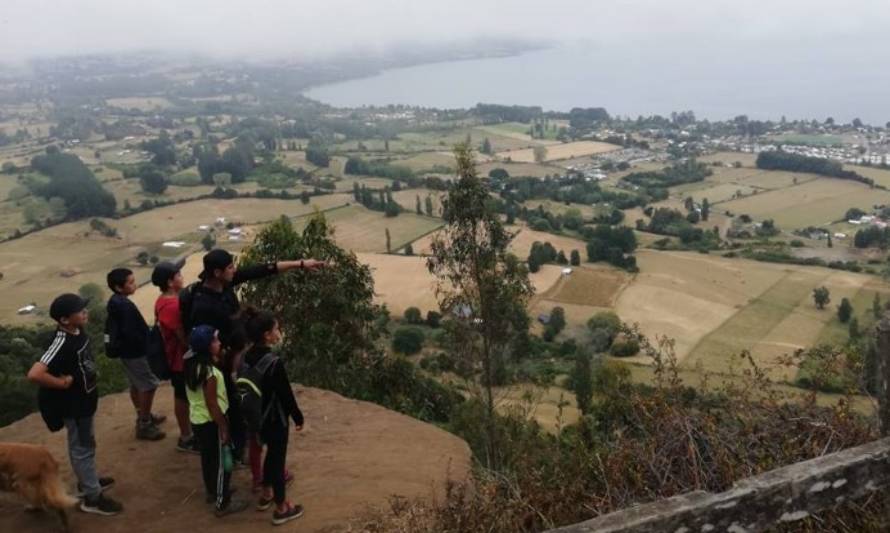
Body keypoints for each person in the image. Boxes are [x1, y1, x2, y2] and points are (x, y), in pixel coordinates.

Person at [183, 250, 325, 462]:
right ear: (217, 272)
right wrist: (227, 364)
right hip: (223, 362)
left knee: (243, 400)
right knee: (233, 401)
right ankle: (237, 449)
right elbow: (204, 341)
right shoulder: (203, 305)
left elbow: (264, 269)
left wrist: (302, 264)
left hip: (237, 356)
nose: (234, 270)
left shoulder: (225, 282)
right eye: (230, 267)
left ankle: (244, 443)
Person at [27, 293, 123, 516]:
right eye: (80, 311)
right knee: (82, 448)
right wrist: (61, 383)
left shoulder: (77, 330)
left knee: (85, 444)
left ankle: (87, 482)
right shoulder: (61, 340)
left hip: (84, 400)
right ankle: (92, 497)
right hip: (74, 406)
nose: (85, 312)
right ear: (64, 320)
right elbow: (35, 374)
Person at [242, 308, 304, 525]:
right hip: (275, 419)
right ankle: (282, 507)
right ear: (267, 335)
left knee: (270, 454)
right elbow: (286, 395)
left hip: (255, 418)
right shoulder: (273, 362)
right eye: (276, 329)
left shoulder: (245, 357)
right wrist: (298, 417)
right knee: (277, 460)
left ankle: (266, 493)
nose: (279, 332)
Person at [185, 325, 248, 517]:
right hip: (212, 421)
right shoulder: (209, 373)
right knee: (223, 463)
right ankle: (223, 502)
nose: (219, 343)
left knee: (208, 458)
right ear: (206, 346)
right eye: (215, 340)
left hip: (198, 420)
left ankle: (213, 491)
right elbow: (212, 404)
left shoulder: (192, 365)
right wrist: (223, 427)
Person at [106, 268, 166, 441]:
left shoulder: (116, 302)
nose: (135, 284)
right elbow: (133, 333)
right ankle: (145, 424)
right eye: (130, 282)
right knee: (148, 384)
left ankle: (143, 415)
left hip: (127, 352)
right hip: (135, 353)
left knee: (136, 383)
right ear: (119, 287)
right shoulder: (124, 306)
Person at [152, 260, 199, 453]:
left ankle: (188, 433)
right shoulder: (171, 305)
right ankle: (186, 437)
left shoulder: (167, 299)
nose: (182, 276)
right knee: (182, 396)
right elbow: (183, 338)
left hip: (179, 358)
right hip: (180, 360)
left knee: (185, 395)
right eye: (178, 274)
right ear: (171, 282)